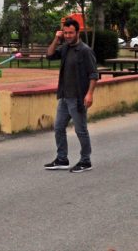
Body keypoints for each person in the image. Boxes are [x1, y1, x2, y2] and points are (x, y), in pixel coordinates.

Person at [44, 18, 98, 173]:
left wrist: (90, 94)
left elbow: (94, 75)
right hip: (64, 97)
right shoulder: (66, 48)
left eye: (70, 33)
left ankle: (85, 160)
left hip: (78, 98)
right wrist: (57, 38)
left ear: (77, 33)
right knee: (59, 127)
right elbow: (49, 55)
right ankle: (62, 159)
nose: (68, 36)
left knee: (81, 130)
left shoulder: (85, 51)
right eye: (65, 33)